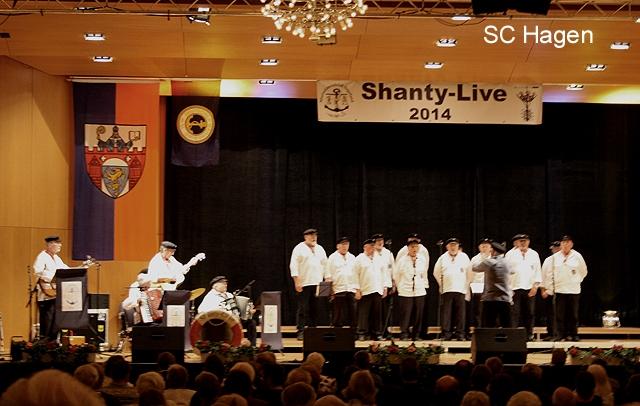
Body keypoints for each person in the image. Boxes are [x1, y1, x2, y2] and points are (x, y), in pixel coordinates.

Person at [543, 235, 587, 341]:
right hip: (560, 289)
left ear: (571, 244)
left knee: (573, 314)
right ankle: (559, 335)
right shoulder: (554, 258)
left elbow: (583, 271)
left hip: (573, 289)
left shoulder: (577, 256)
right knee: (559, 315)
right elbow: (549, 273)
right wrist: (549, 288)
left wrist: (576, 280)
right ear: (561, 244)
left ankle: (573, 334)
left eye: (568, 243)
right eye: (563, 243)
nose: (565, 245)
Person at [290, 228, 327, 340]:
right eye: (311, 235)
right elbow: (293, 265)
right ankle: (301, 331)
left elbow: (325, 264)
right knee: (302, 308)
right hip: (304, 283)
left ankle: (312, 329)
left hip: (317, 283)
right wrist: (297, 281)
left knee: (315, 308)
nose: (313, 237)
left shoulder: (320, 248)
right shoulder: (299, 248)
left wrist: (326, 279)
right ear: (305, 237)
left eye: (315, 235)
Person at [198, 276, 257, 345]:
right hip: (223, 321)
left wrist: (248, 311)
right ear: (215, 286)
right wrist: (221, 312)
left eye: (226, 283)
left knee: (251, 323)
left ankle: (252, 346)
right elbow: (201, 310)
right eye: (223, 283)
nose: (226, 285)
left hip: (236, 319)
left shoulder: (229, 295)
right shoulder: (210, 297)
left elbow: (237, 308)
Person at [353, 238, 392, 341]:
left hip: (377, 289)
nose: (372, 248)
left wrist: (385, 287)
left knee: (377, 313)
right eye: (370, 246)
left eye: (373, 246)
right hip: (365, 290)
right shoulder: (359, 259)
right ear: (365, 247)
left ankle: (377, 333)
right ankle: (362, 332)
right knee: (363, 313)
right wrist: (357, 289)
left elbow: (384, 273)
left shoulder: (379, 258)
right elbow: (354, 275)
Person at [505, 234, 542, 341]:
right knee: (514, 313)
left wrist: (535, 287)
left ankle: (529, 334)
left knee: (529, 313)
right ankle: (513, 335)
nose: (523, 243)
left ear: (528, 242)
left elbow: (537, 271)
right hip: (514, 288)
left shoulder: (534, 254)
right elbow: (505, 272)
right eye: (521, 241)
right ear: (517, 242)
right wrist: (508, 289)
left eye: (525, 241)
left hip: (529, 288)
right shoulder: (510, 254)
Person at [433, 237, 471, 340]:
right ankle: (446, 334)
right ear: (447, 247)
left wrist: (466, 285)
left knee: (460, 314)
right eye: (451, 245)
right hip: (447, 289)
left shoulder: (464, 257)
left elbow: (469, 272)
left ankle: (460, 333)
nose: (453, 247)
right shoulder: (442, 258)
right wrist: (441, 284)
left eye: (455, 245)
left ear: (458, 246)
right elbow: (436, 272)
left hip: (461, 289)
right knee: (446, 313)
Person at [472, 241, 513, 328]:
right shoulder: (508, 263)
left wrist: (484, 256)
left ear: (493, 251)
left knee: (489, 325)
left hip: (491, 298)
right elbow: (513, 272)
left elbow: (474, 267)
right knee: (507, 326)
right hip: (505, 298)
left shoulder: (489, 262)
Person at [393, 239, 428, 340]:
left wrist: (424, 285)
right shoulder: (402, 260)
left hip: (419, 290)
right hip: (405, 290)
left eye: (416, 247)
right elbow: (397, 275)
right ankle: (404, 333)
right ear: (408, 248)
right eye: (412, 247)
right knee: (405, 314)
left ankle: (416, 334)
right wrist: (400, 287)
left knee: (418, 314)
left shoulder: (422, 259)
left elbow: (424, 274)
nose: (414, 249)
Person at [323, 236, 357, 328]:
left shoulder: (352, 257)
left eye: (346, 244)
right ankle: (337, 330)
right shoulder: (332, 257)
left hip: (351, 288)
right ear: (337, 246)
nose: (345, 246)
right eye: (342, 244)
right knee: (338, 313)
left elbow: (356, 273)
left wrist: (357, 288)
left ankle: (353, 331)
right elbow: (328, 274)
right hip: (338, 289)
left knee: (353, 312)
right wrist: (331, 290)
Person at [372, 233, 396, 338]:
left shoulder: (388, 253)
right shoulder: (372, 253)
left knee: (386, 309)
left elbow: (393, 268)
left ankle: (385, 331)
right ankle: (376, 331)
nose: (380, 242)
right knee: (377, 310)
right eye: (378, 241)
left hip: (387, 284)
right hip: (376, 285)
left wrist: (394, 282)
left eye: (381, 240)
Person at [468, 238, 492, 336]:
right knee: (478, 310)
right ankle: (479, 330)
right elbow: (470, 274)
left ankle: (489, 330)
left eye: (486, 246)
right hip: (478, 287)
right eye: (482, 246)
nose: (484, 248)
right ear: (479, 247)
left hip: (491, 288)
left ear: (490, 248)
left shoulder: (494, 258)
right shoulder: (475, 259)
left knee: (490, 310)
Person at [540, 241, 561, 340]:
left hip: (561, 291)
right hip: (549, 291)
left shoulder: (563, 260)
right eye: (554, 248)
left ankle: (560, 334)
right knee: (550, 314)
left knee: (560, 314)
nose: (556, 250)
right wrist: (542, 290)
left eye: (558, 248)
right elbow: (543, 275)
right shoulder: (548, 260)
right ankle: (551, 333)